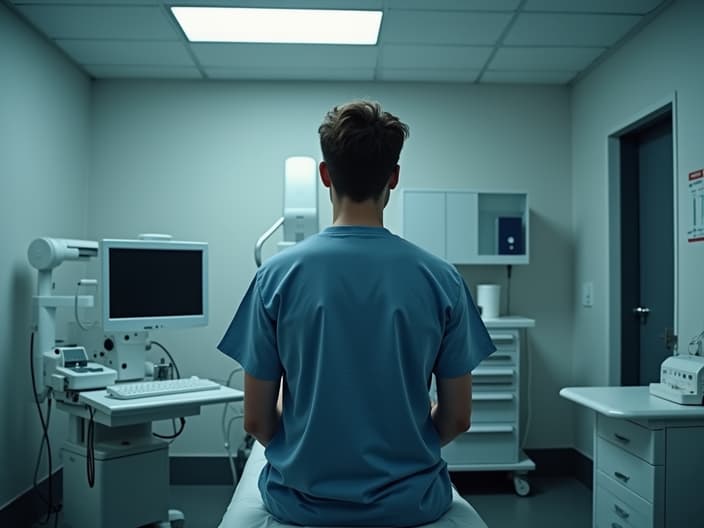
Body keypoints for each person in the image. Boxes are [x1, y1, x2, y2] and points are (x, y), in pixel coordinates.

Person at [218, 100, 495, 527]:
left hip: (299, 505)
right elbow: (458, 417)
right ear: (394, 177)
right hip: (412, 506)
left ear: (325, 175)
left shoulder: (276, 275)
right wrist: (409, 447)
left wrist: (305, 453)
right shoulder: (442, 279)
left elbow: (256, 419)